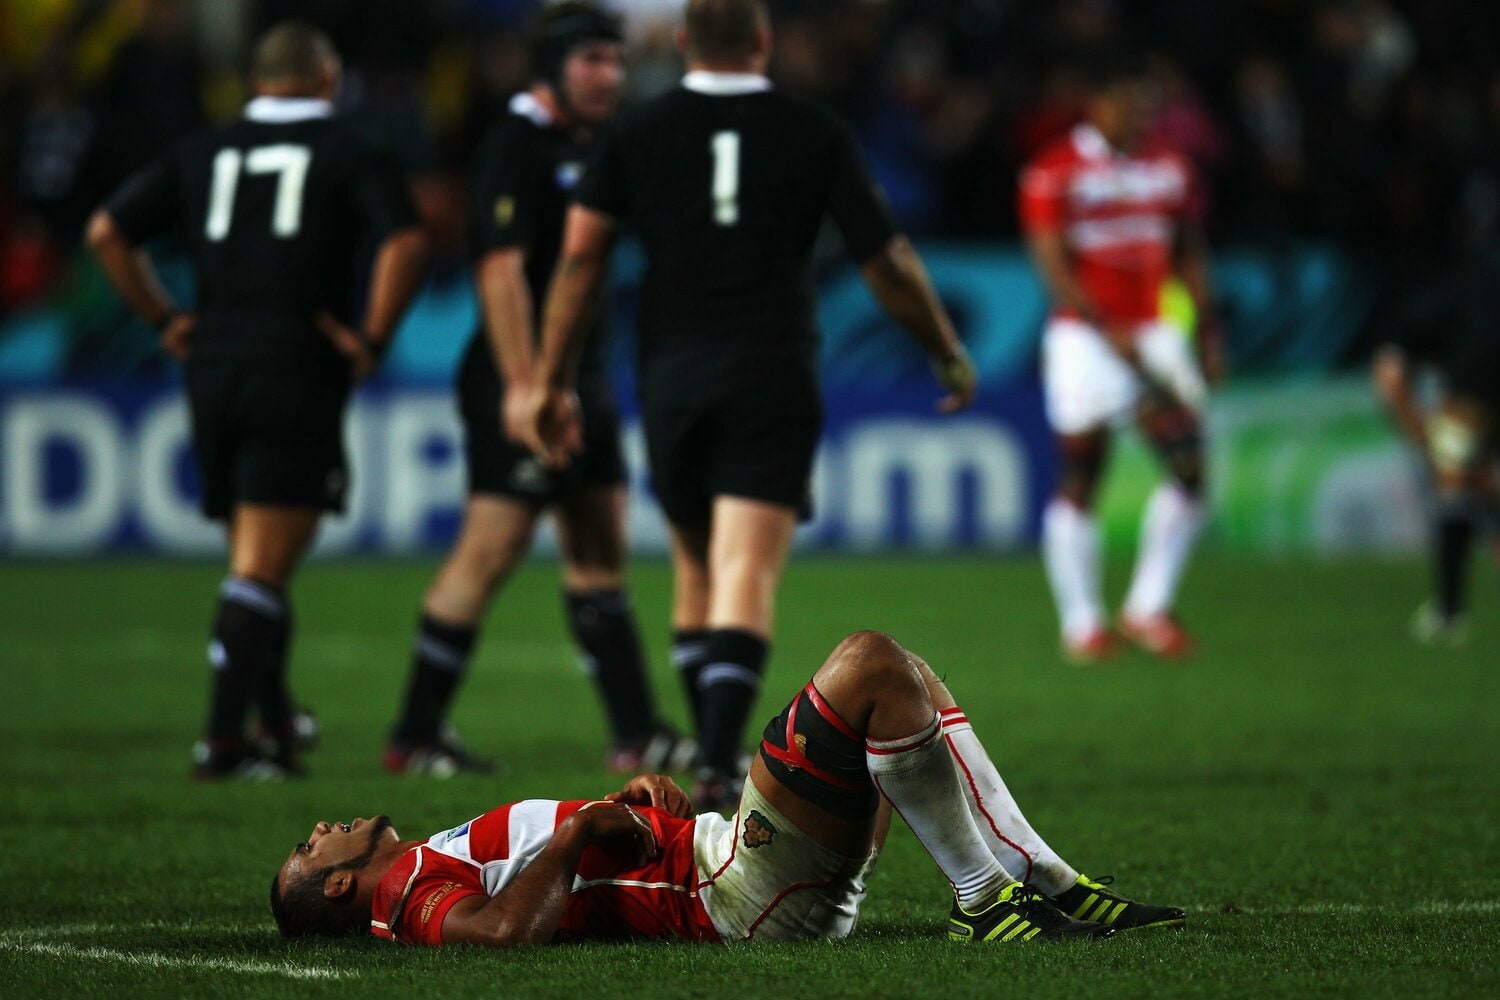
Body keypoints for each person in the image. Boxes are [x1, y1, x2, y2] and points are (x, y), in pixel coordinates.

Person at [521, 0, 976, 811]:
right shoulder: (814, 130)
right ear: (763, 42)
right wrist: (941, 347)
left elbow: (581, 259)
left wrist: (550, 380)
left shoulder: (637, 130)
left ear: (684, 42)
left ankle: (711, 753)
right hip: (772, 369)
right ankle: (720, 758)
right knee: (746, 568)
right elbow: (887, 259)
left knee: (696, 566)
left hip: (671, 372)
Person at [270, 629, 1185, 945]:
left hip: (715, 863)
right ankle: (983, 900)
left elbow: (566, 877)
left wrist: (619, 814)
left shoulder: (417, 864)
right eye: (310, 850)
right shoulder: (406, 898)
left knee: (904, 670)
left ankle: (1046, 883)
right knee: (868, 664)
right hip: (731, 895)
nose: (320, 828)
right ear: (341, 887)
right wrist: (584, 830)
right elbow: (497, 937)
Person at [86, 21, 428, 779]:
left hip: (211, 367)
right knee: (262, 568)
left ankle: (273, 718)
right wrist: (370, 340)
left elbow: (108, 231)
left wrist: (165, 319)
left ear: (254, 83)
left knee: (257, 558)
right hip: (293, 361)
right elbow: (407, 241)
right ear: (327, 77)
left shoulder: (201, 149)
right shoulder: (350, 149)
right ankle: (224, 744)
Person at [382, 3, 687, 777]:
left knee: (599, 546)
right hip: (515, 378)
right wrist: (527, 385)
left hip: (583, 374)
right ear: (551, 67)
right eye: (590, 60)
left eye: (615, 62)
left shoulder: (599, 146)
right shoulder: (513, 145)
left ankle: (637, 733)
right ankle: (414, 735)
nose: (609, 76)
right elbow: (500, 268)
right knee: (491, 549)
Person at [1019, 51, 1222, 664]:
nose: (1138, 117)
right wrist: (1106, 326)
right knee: (1082, 473)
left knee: (1189, 467)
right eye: (1127, 105)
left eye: (1147, 107)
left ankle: (1147, 607)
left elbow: (1188, 249)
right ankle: (1083, 623)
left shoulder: (1169, 168)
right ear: (1097, 104)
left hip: (1155, 331)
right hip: (1085, 337)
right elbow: (1052, 262)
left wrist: (1206, 328)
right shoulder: (1055, 170)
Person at [1371, 257, 1500, 646]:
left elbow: (1390, 383)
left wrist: (1429, 444)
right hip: (1475, 391)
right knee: (1468, 482)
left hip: (1472, 395)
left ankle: (1448, 610)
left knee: (1455, 484)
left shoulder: (1425, 307)